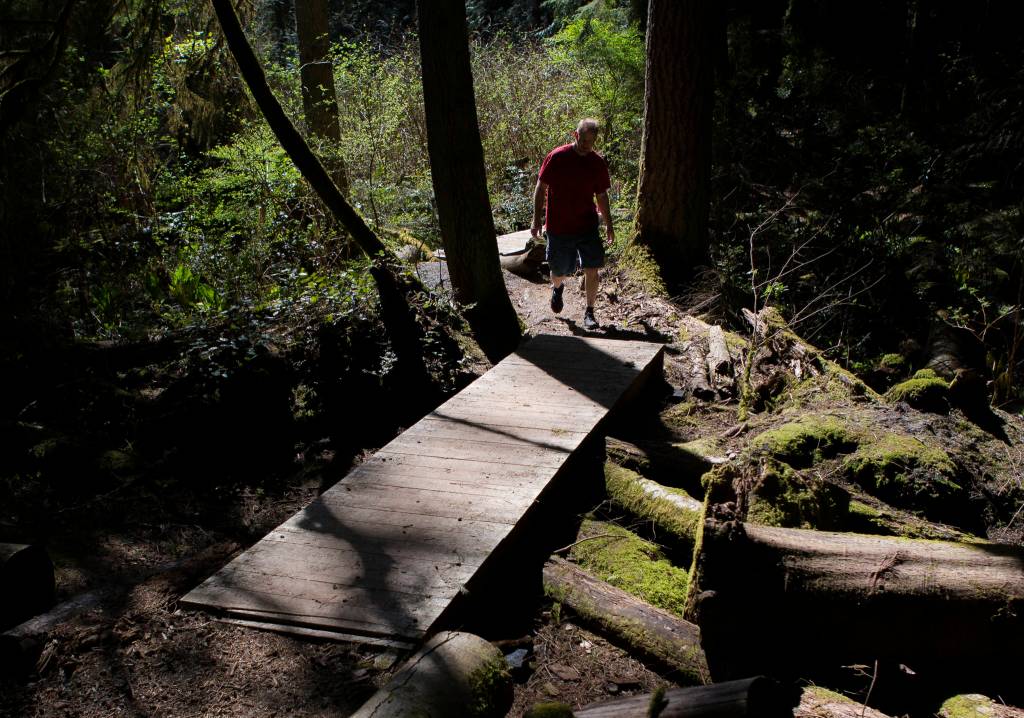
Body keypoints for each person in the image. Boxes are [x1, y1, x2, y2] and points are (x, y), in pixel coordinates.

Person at [530, 118, 615, 330]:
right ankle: (557, 288)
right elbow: (541, 187)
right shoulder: (557, 157)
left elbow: (602, 196)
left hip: (587, 225)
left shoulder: (596, 162)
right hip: (559, 226)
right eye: (584, 140)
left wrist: (609, 224)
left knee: (592, 267)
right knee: (560, 271)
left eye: (592, 142)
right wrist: (536, 219)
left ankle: (590, 312)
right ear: (575, 135)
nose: (587, 146)